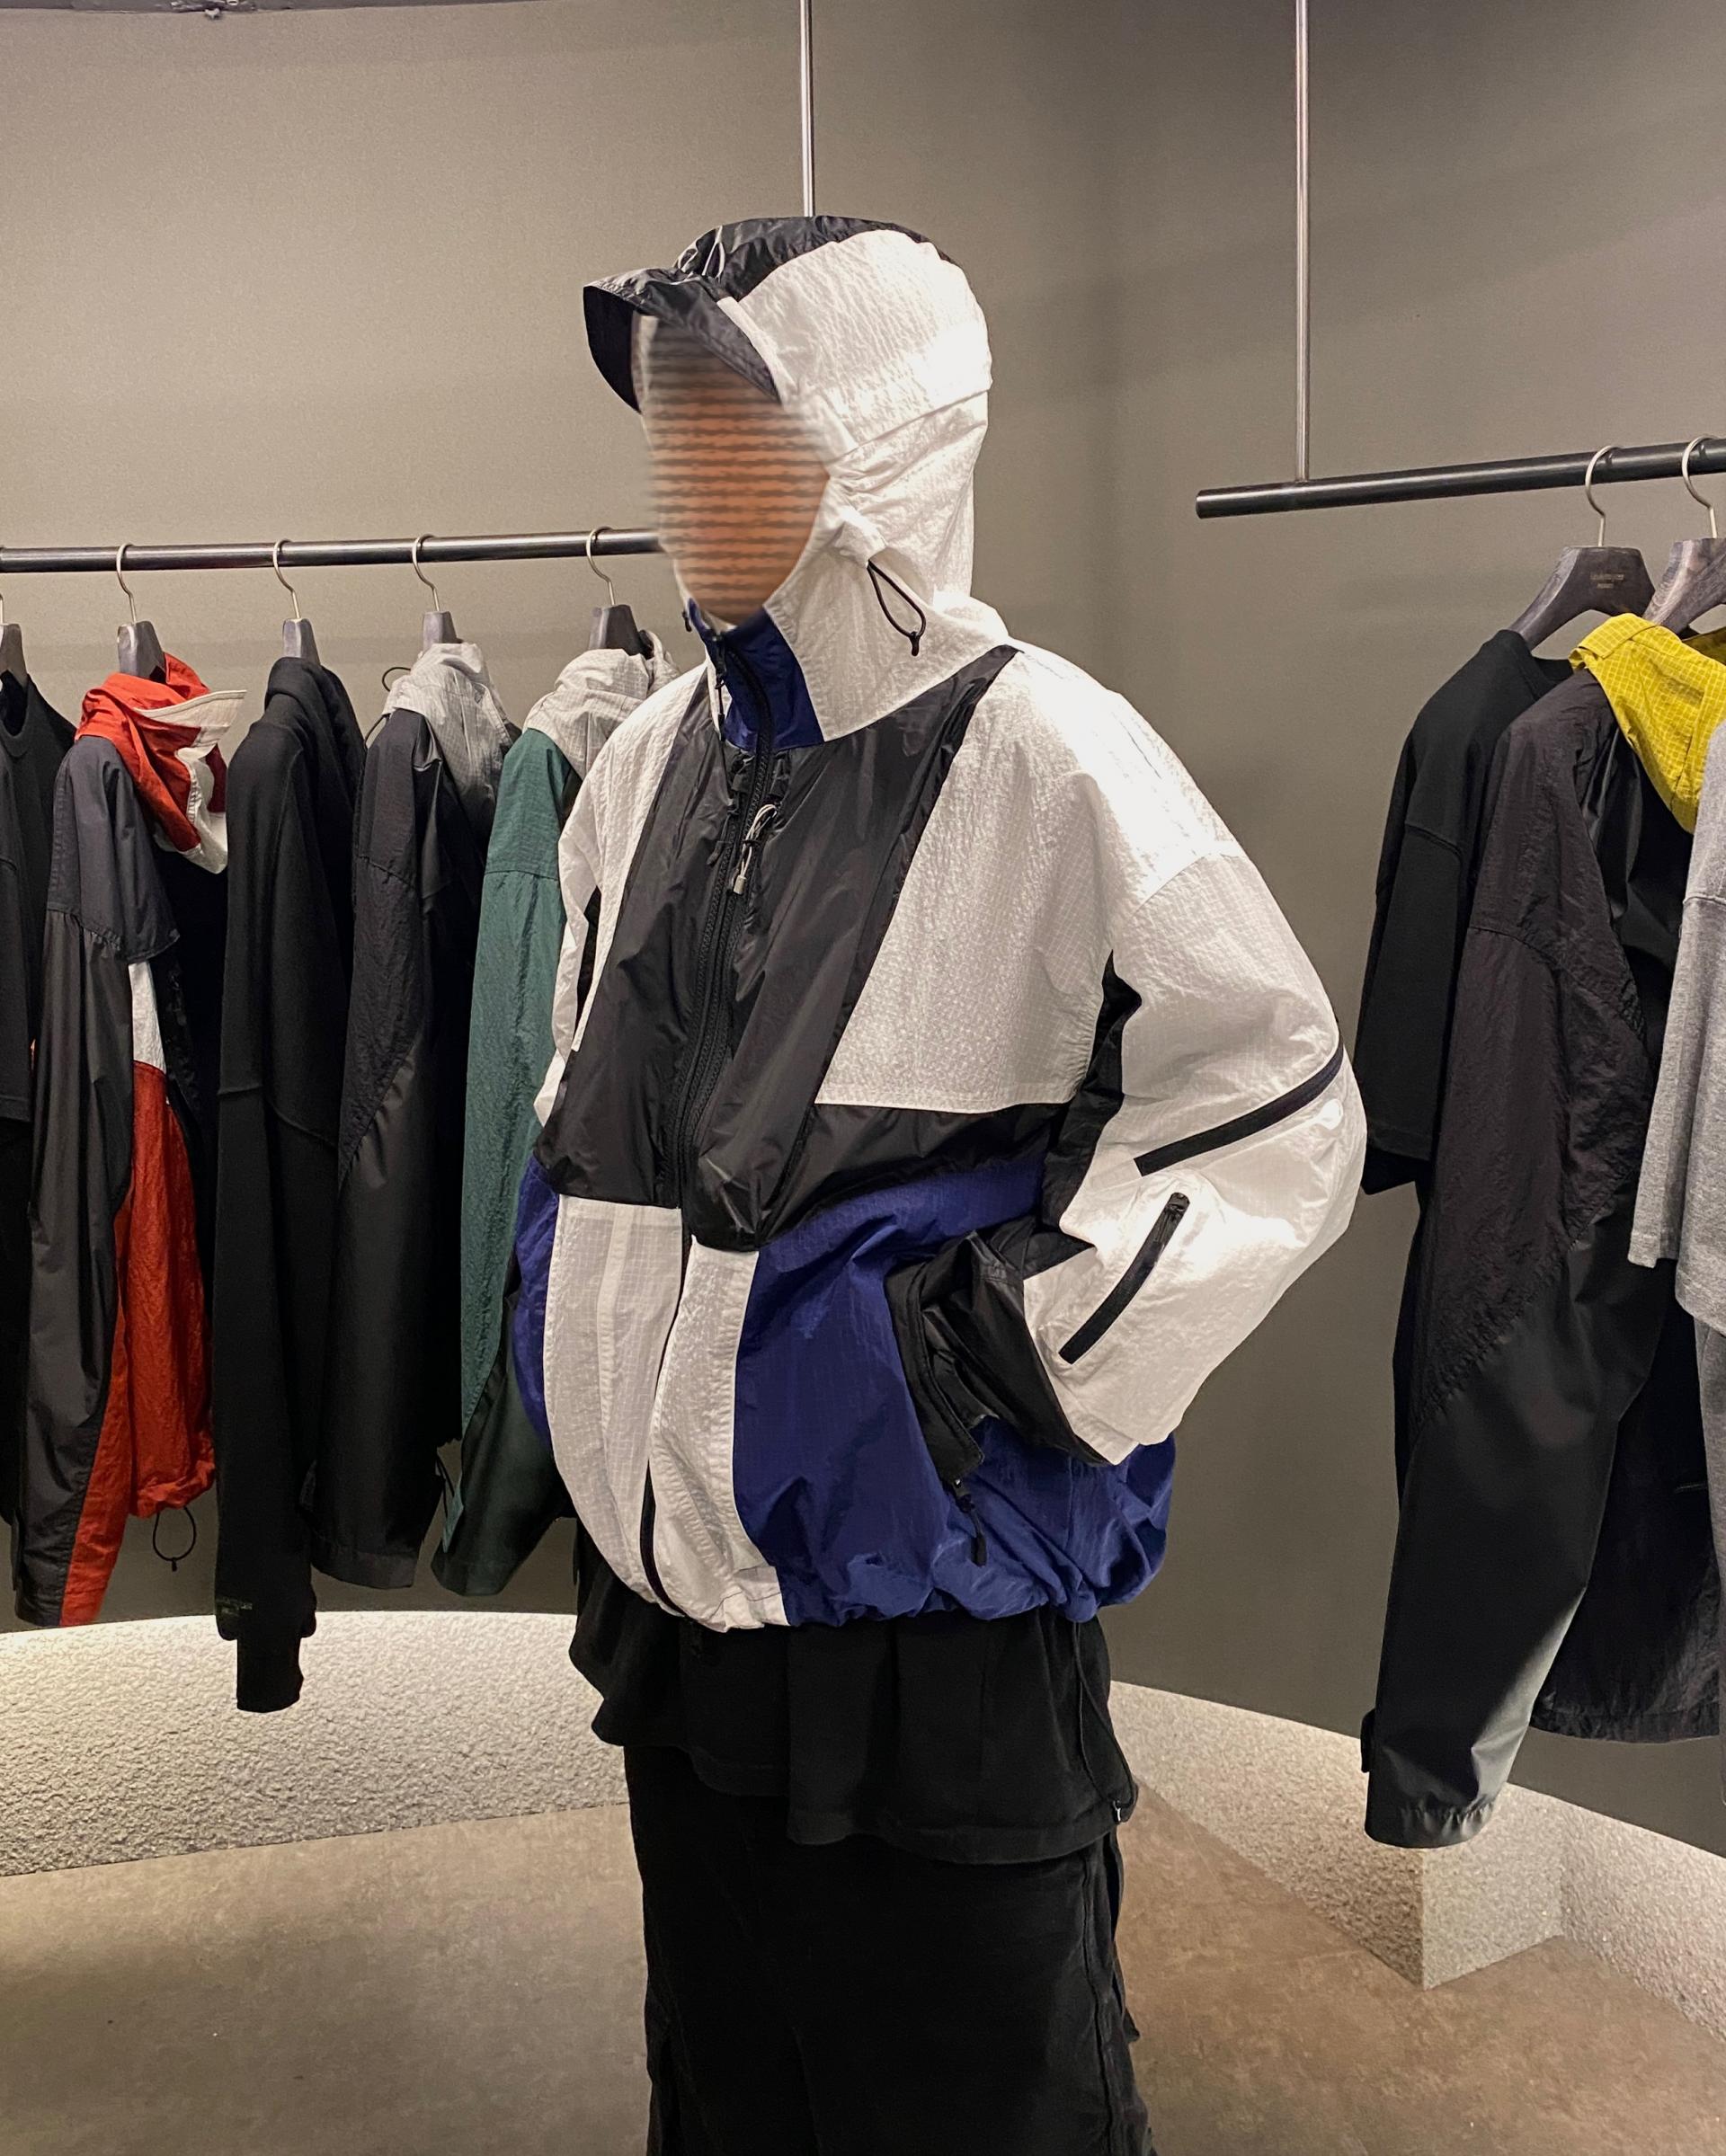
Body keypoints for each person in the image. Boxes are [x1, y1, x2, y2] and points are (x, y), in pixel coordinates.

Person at [520, 216, 1364, 2156]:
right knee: (727, 2092)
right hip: (680, 1625)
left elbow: (1278, 1094)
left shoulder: (1042, 751)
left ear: (883, 448)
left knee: (982, 2103)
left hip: (933, 1635)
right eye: (666, 420)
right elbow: (586, 1090)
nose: (682, 472)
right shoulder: (646, 763)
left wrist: (1000, 1365)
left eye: (737, 421)